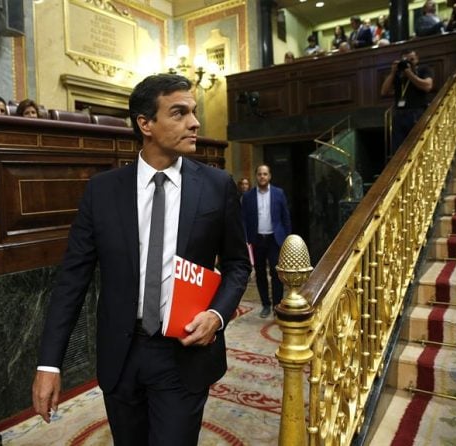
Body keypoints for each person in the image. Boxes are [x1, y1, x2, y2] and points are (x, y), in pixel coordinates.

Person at [31, 73, 251, 445]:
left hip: (184, 355)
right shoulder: (102, 192)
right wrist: (49, 364)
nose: (195, 123)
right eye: (179, 113)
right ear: (145, 124)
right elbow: (72, 281)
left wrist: (216, 316)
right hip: (121, 354)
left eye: (194, 112)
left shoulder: (217, 186)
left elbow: (237, 265)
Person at [241, 165, 291, 318]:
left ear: (269, 176)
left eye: (265, 174)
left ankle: (277, 305)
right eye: (259, 174)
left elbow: (285, 217)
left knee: (276, 274)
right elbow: (243, 219)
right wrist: (245, 239)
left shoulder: (278, 193)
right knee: (260, 274)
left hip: (274, 240)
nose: (262, 177)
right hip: (257, 240)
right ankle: (265, 305)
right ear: (256, 176)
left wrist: (286, 239)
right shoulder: (248, 196)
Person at [380, 49, 433, 154]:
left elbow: (427, 86)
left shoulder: (423, 70)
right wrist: (393, 72)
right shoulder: (399, 74)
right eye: (405, 60)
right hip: (399, 114)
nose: (408, 62)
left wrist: (409, 73)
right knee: (398, 149)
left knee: (416, 145)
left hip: (416, 112)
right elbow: (383, 91)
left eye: (411, 59)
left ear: (417, 59)